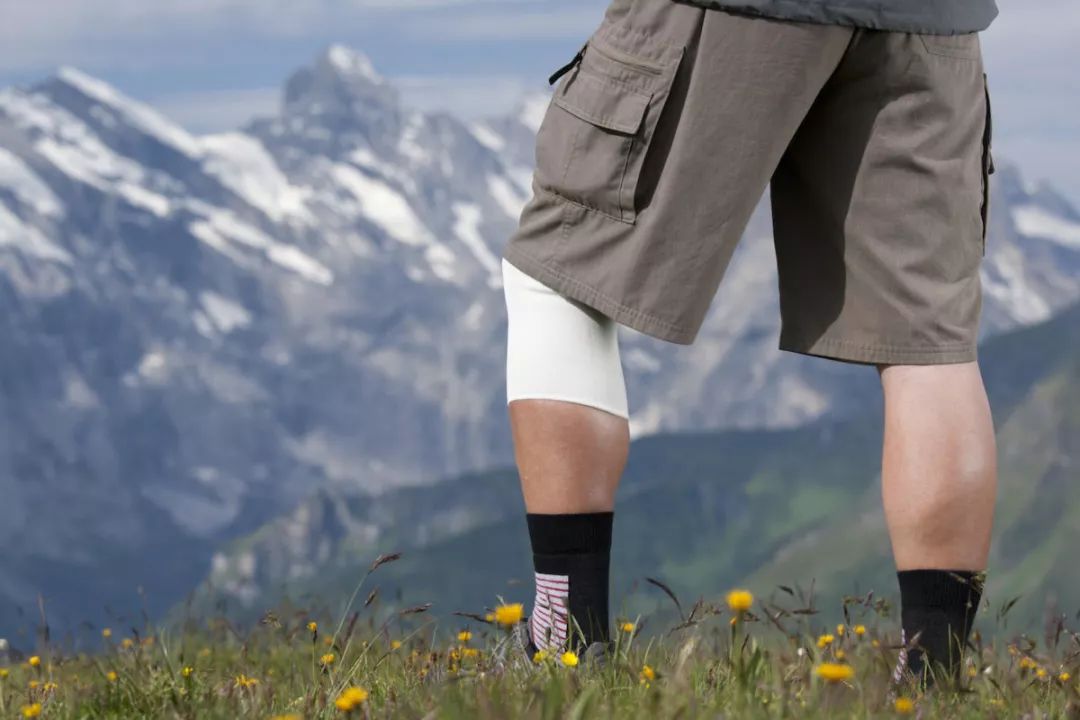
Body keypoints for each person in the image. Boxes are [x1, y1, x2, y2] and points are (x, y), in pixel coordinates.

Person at [500, 0, 998, 687]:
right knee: (927, 345)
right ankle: (935, 678)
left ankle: (562, 641)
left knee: (557, 275)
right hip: (931, 17)